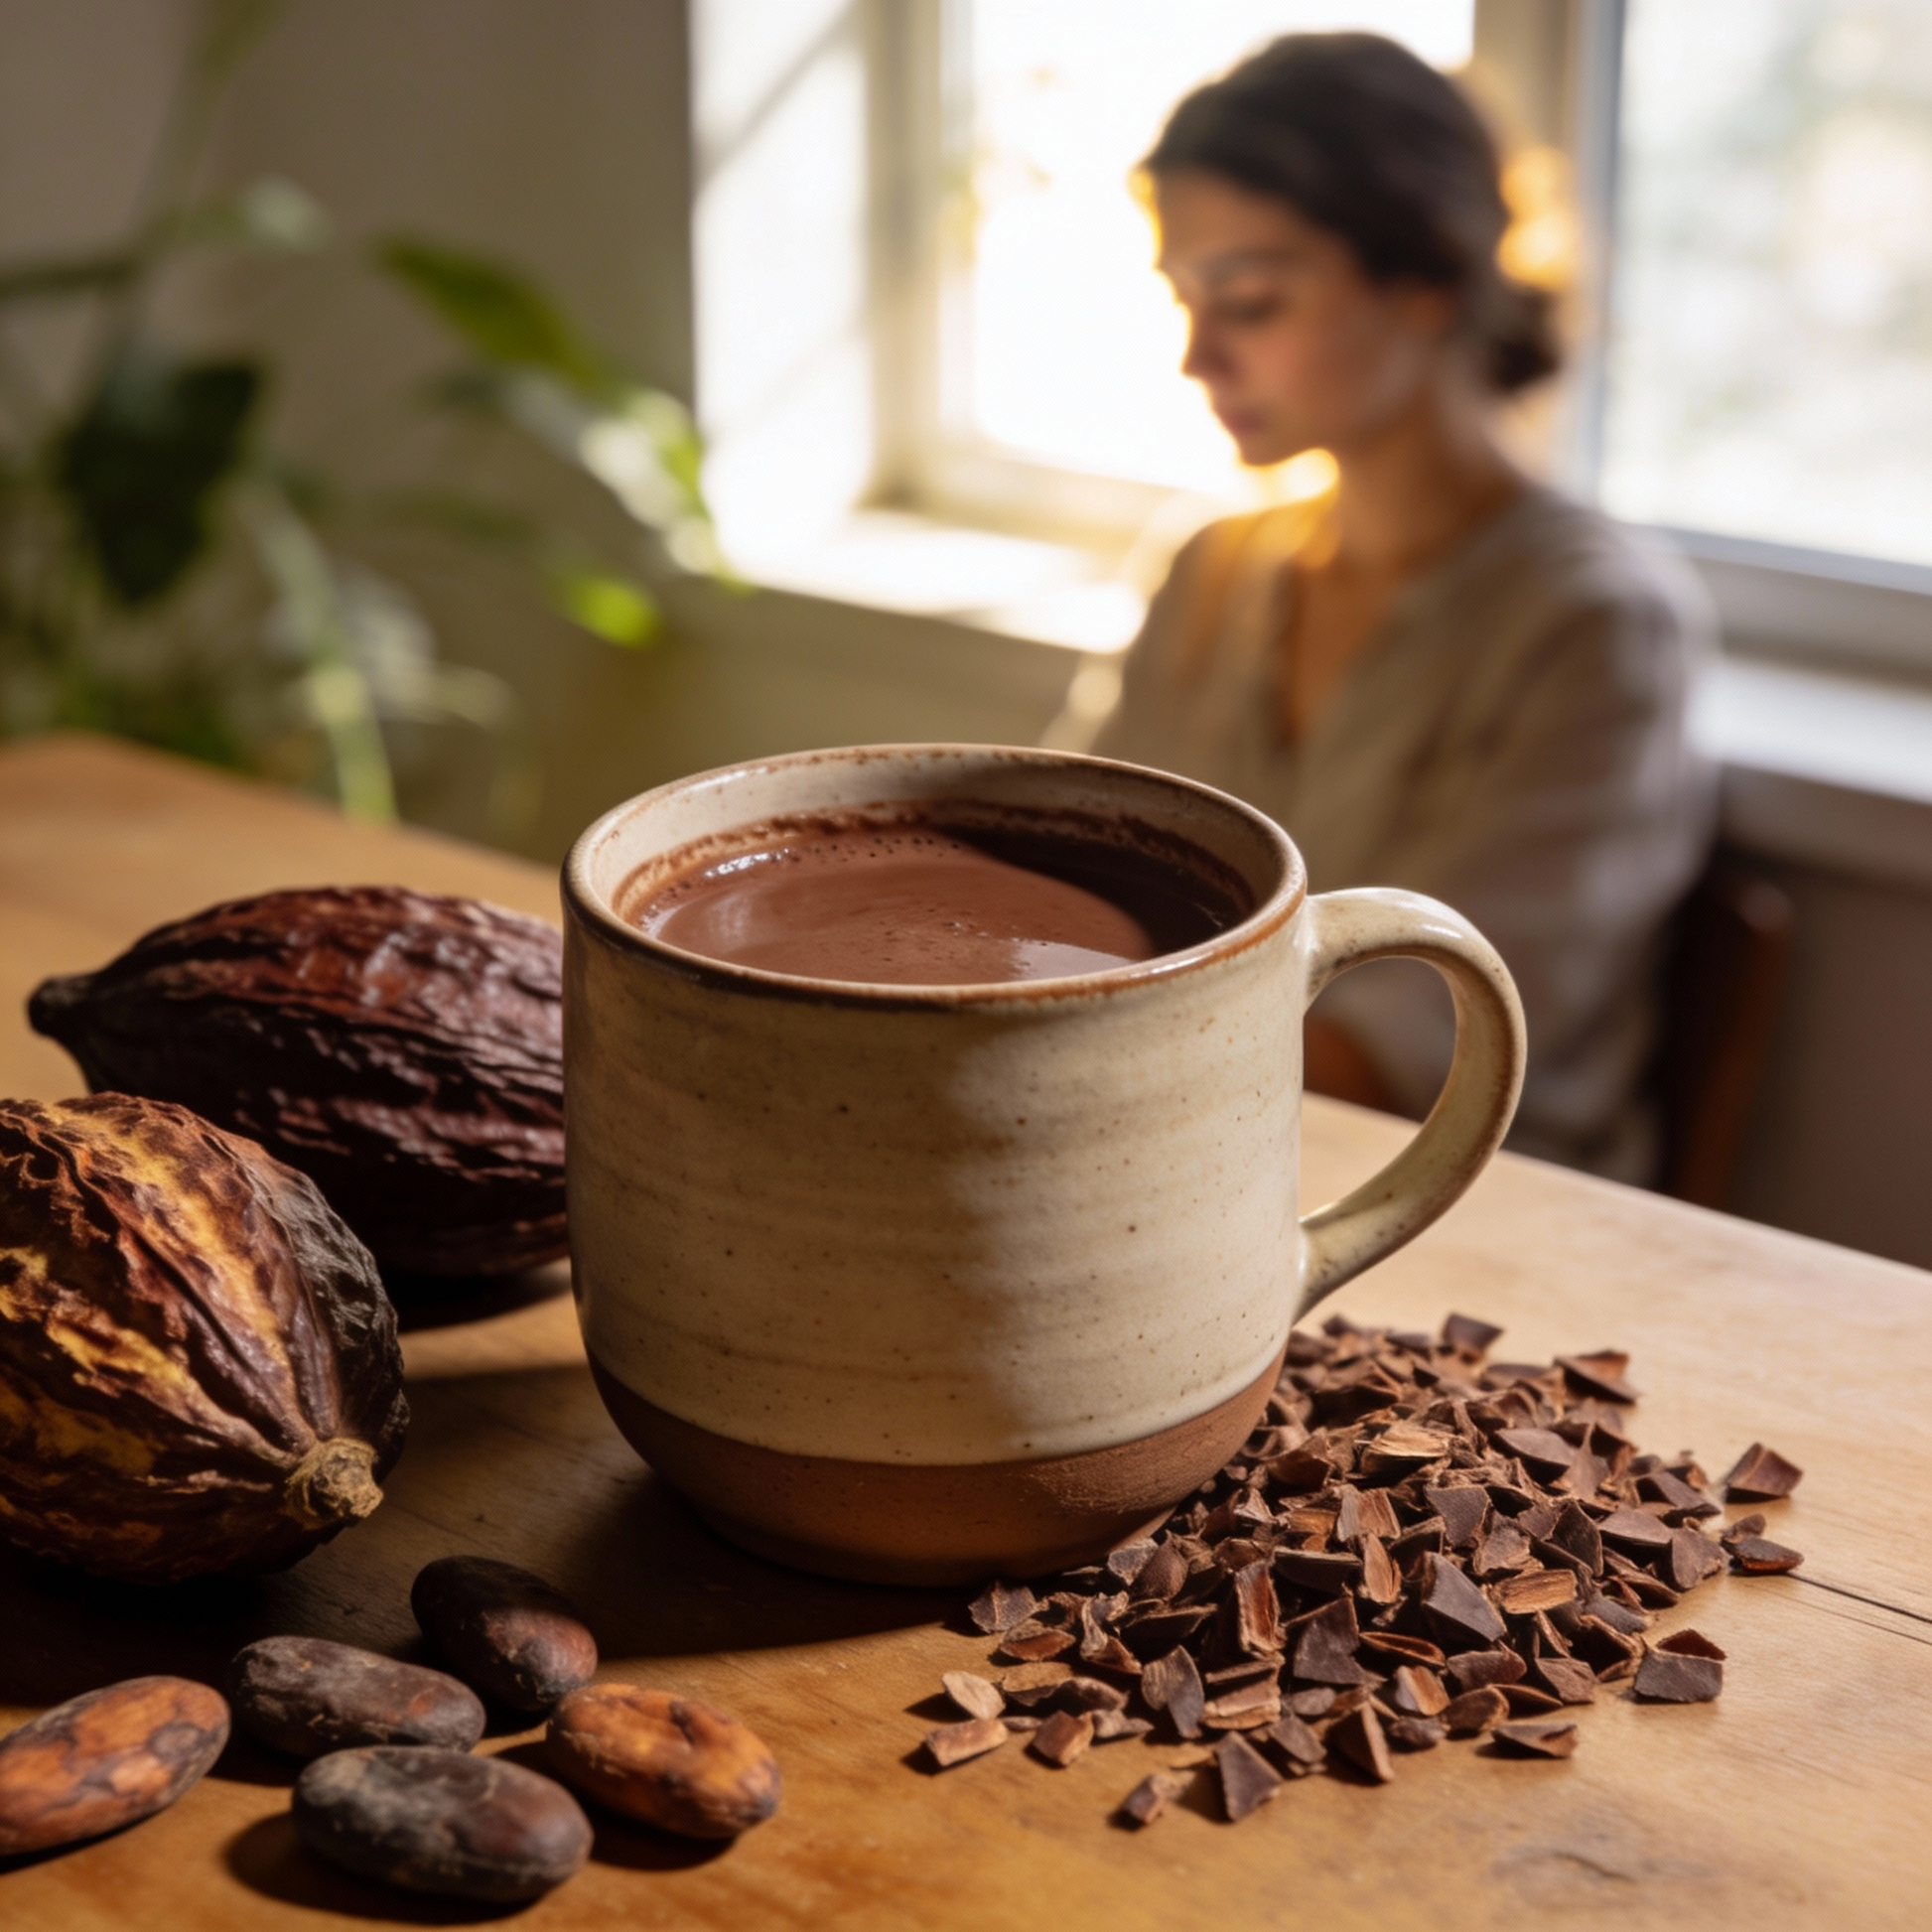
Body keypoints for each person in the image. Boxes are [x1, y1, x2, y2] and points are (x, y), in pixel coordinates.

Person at [1092, 31, 1716, 1183]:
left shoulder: (1593, 624)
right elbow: (1063, 886)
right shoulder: (1213, 568)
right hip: (1176, 1172)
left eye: (1250, 297)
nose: (1195, 355)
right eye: (1182, 298)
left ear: (1424, 279)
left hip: (1454, 1221)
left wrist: (1050, 1030)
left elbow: (1404, 1054)